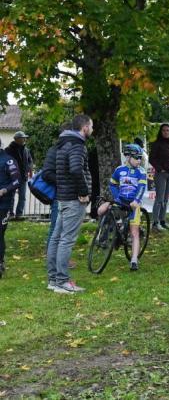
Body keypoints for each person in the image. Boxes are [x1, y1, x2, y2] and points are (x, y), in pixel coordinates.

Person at [46, 114, 93, 294]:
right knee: (66, 239)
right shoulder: (77, 145)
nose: (92, 129)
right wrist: (83, 192)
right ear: (85, 127)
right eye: (92, 126)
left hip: (63, 197)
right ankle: (62, 281)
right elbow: (75, 169)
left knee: (57, 238)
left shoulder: (63, 143)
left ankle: (53, 280)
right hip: (73, 199)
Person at [97, 144, 147, 271]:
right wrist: (117, 196)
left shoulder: (141, 171)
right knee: (101, 210)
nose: (139, 160)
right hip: (120, 200)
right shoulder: (119, 170)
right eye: (136, 157)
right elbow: (113, 184)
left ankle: (134, 260)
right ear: (128, 157)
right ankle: (103, 235)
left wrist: (136, 200)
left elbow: (142, 188)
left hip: (133, 204)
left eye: (140, 158)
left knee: (134, 232)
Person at [149, 123, 169, 232]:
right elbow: (152, 159)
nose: (166, 132)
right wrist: (160, 169)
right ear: (161, 132)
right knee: (159, 199)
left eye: (168, 130)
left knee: (165, 200)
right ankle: (155, 223)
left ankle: (162, 221)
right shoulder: (157, 144)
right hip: (161, 174)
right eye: (164, 130)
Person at [0, 139, 20, 278]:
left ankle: (0, 262)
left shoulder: (8, 161)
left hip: (3, 205)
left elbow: (17, 181)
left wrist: (4, 190)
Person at [5, 131, 33, 218]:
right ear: (17, 139)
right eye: (23, 137)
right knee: (11, 196)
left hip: (23, 177)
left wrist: (29, 169)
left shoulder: (26, 150)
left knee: (22, 196)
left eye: (25, 137)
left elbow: (30, 161)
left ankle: (19, 214)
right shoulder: (8, 150)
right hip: (12, 177)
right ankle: (10, 214)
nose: (25, 139)